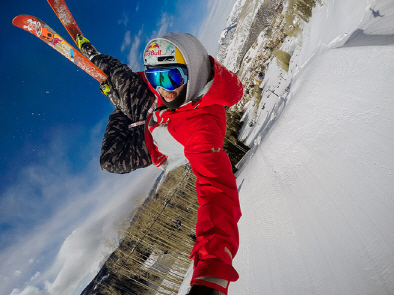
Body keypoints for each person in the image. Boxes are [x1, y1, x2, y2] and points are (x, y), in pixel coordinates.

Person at [78, 32, 243, 295]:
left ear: (195, 72)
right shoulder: (167, 90)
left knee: (111, 161)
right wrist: (138, 82)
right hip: (156, 114)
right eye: (157, 77)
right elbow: (156, 84)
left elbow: (218, 193)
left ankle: (121, 106)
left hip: (154, 144)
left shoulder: (202, 130)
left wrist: (212, 273)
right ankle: (94, 55)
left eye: (171, 77)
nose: (164, 87)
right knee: (123, 79)